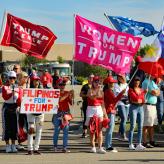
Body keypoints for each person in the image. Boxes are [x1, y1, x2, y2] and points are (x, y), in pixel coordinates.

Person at [85, 76, 108, 154]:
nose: (97, 83)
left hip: (99, 110)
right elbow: (91, 98)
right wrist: (97, 92)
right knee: (92, 130)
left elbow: (103, 104)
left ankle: (100, 147)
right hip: (90, 109)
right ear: (92, 82)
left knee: (100, 130)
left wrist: (105, 114)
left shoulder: (102, 92)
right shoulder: (89, 90)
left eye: (98, 82)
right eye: (95, 81)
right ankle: (93, 147)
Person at [2, 71, 22, 153]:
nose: (12, 80)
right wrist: (12, 93)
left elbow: (20, 100)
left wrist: (18, 97)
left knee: (14, 127)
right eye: (10, 78)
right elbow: (5, 97)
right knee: (7, 127)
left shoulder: (18, 88)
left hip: (15, 108)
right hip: (7, 108)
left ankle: (13, 145)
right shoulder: (5, 87)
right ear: (8, 78)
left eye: (13, 78)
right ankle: (7, 145)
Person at [104, 76, 125, 153]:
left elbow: (113, 101)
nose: (112, 84)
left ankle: (108, 145)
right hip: (109, 111)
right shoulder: (108, 91)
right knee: (110, 130)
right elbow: (114, 100)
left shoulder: (108, 91)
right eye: (111, 82)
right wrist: (121, 93)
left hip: (110, 111)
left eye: (113, 82)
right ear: (107, 83)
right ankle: (108, 146)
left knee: (110, 129)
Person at [53, 78, 74, 153]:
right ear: (57, 85)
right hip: (57, 113)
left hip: (66, 113)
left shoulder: (67, 92)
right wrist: (68, 94)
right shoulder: (55, 93)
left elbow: (71, 103)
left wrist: (72, 96)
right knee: (57, 130)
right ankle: (55, 146)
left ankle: (65, 147)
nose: (62, 86)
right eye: (61, 84)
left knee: (66, 131)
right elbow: (60, 100)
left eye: (64, 85)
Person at [27, 75, 44, 155]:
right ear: (32, 81)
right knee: (31, 130)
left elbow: (48, 100)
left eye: (37, 80)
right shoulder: (28, 90)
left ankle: (36, 148)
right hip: (31, 113)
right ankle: (30, 148)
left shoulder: (43, 90)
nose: (36, 82)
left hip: (40, 113)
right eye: (35, 80)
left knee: (39, 131)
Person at [128, 76, 147, 150]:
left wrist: (143, 99)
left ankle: (139, 143)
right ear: (133, 82)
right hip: (133, 108)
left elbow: (142, 100)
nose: (137, 82)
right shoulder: (130, 89)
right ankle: (130, 144)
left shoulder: (141, 90)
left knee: (140, 126)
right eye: (135, 81)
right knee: (132, 126)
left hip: (140, 108)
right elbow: (134, 98)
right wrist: (140, 98)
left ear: (140, 82)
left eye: (138, 81)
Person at [142, 75, 160, 148]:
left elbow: (158, 93)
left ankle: (151, 141)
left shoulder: (152, 82)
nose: (154, 75)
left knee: (151, 125)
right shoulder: (146, 82)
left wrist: (157, 91)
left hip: (153, 105)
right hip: (147, 105)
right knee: (146, 124)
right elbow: (154, 93)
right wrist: (157, 91)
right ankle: (145, 142)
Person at [114, 74, 129, 141]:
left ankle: (119, 134)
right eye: (122, 77)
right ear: (119, 78)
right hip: (120, 103)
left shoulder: (126, 85)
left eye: (124, 77)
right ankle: (123, 134)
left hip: (127, 104)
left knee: (125, 119)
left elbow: (128, 94)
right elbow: (118, 95)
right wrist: (123, 93)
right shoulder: (116, 85)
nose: (124, 78)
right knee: (124, 118)